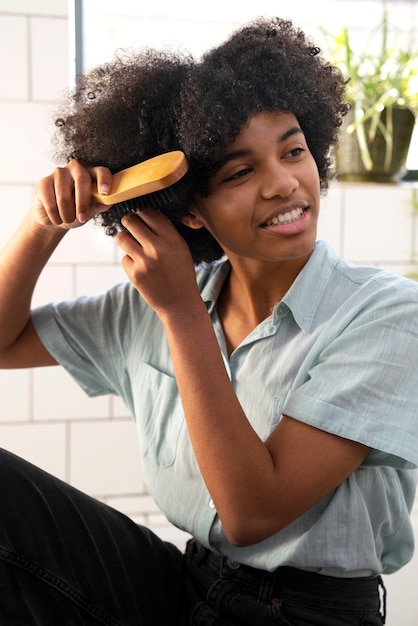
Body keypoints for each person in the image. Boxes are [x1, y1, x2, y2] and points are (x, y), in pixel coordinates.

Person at [0, 15, 416, 626]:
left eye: (294, 150)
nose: (284, 184)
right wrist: (43, 224)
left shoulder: (387, 316)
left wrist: (181, 315)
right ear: (192, 210)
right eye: (241, 171)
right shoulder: (155, 303)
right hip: (188, 582)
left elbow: (251, 513)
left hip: (306, 616)